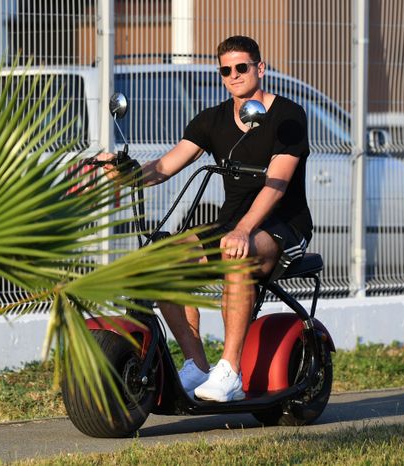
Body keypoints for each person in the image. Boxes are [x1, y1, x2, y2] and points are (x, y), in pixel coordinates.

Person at [98, 35, 312, 402]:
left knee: (235, 255)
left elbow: (277, 183)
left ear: (260, 68)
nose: (234, 75)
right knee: (159, 260)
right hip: (231, 225)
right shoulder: (212, 119)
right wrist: (125, 174)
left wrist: (244, 230)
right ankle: (197, 365)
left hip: (282, 226)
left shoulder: (287, 116)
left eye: (242, 67)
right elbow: (167, 166)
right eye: (226, 70)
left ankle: (229, 371)